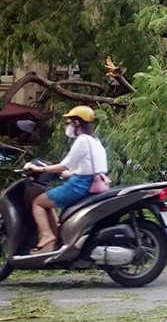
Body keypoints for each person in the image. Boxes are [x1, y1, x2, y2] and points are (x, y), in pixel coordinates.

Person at [23, 105, 108, 254]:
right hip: (92, 181)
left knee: (38, 201)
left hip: (80, 184)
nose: (67, 126)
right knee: (48, 202)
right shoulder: (95, 141)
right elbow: (87, 167)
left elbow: (64, 165)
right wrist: (67, 173)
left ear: (77, 123)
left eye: (69, 122)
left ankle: (47, 235)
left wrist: (40, 169)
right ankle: (58, 238)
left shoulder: (82, 140)